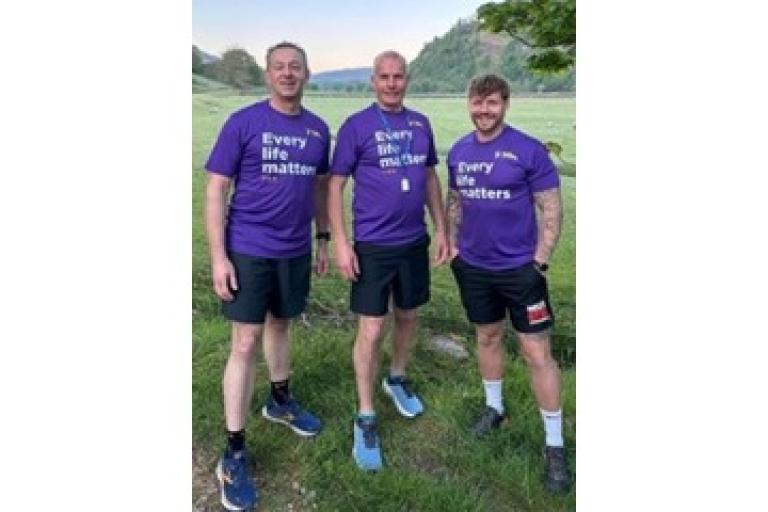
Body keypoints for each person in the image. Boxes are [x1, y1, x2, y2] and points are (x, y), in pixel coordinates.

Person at [204, 41, 331, 511]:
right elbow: (216, 188)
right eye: (279, 67)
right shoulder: (243, 122)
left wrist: (323, 237)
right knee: (244, 342)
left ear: (307, 73)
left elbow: (319, 188)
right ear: (267, 74)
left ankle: (280, 399)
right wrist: (219, 257)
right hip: (248, 248)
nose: (287, 73)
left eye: (295, 66)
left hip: (294, 250)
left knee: (282, 324)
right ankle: (234, 451)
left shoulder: (318, 130)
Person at [445, 74, 572, 494]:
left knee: (537, 352)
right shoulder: (459, 151)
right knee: (487, 336)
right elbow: (455, 201)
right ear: (469, 103)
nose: (484, 110)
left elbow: (551, 208)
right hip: (474, 267)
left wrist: (539, 262)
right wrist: (454, 248)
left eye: (492, 103)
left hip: (521, 271)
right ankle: (494, 408)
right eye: (477, 102)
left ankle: (554, 444)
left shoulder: (528, 150)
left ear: (505, 104)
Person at [328, 50, 449, 471]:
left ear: (407, 80)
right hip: (373, 245)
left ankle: (396, 377)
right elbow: (335, 184)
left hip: (413, 241)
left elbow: (429, 176)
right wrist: (341, 242)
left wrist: (442, 229)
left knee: (409, 315)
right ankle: (365, 414)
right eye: (384, 77)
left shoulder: (421, 124)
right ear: (373, 81)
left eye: (398, 76)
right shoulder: (356, 126)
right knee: (372, 327)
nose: (392, 83)